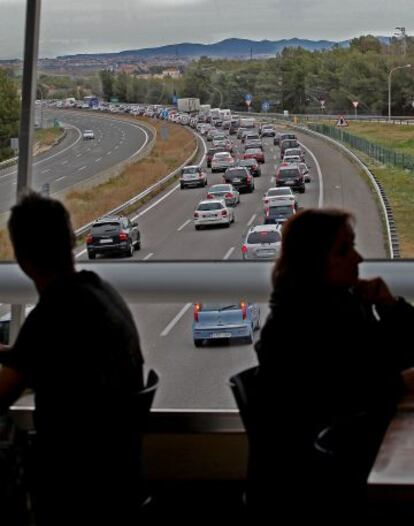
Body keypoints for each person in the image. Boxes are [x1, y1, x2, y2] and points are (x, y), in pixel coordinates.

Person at [252, 208, 414, 521]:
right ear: (314, 262)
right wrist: (402, 383)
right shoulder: (302, 326)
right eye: (345, 250)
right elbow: (349, 395)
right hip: (318, 487)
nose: (358, 258)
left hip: (334, 467)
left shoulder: (339, 305)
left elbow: (387, 361)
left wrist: (391, 308)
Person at [0, 192, 145, 525]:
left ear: (21, 258)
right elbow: (37, 360)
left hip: (73, 491)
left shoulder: (55, 312)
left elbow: (5, 392)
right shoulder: (99, 292)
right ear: (71, 240)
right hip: (118, 479)